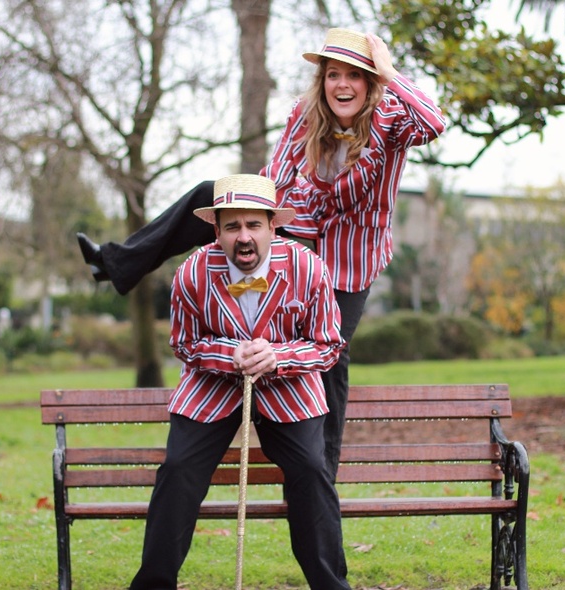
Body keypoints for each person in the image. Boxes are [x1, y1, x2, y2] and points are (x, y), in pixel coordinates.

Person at [78, 27, 446, 479]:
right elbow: (274, 176)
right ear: (322, 80)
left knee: (331, 352)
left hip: (351, 257)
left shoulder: (390, 118)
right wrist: (245, 215)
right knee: (209, 193)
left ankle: (318, 479)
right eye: (333, 75)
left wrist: (390, 73)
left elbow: (433, 122)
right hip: (299, 235)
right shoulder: (305, 115)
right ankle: (116, 263)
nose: (343, 85)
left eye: (355, 75)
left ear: (370, 82)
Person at [129, 174, 350, 590]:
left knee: (311, 468)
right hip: (211, 388)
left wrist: (278, 356)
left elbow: (327, 346)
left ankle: (330, 586)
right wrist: (229, 355)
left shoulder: (308, 268)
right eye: (232, 226)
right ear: (216, 231)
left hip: (289, 390)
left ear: (272, 226)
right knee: (177, 470)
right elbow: (185, 343)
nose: (243, 237)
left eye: (253, 225)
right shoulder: (192, 273)